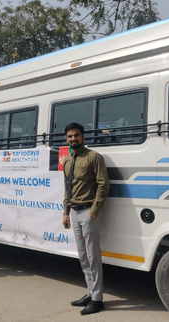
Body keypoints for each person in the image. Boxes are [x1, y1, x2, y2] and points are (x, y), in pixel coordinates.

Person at [62, 123, 110, 315]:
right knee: (83, 256)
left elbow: (103, 185)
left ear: (83, 137)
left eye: (76, 135)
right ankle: (91, 292)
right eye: (69, 136)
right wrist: (65, 212)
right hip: (73, 212)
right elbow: (67, 188)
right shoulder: (67, 160)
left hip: (88, 212)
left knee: (93, 256)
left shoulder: (93, 157)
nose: (73, 139)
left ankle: (98, 299)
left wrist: (94, 209)